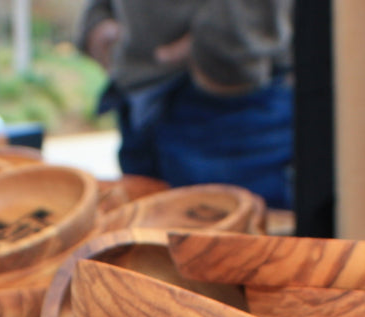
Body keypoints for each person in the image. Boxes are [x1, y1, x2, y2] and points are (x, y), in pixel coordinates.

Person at [77, 0, 294, 209]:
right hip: (140, 94)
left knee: (239, 242)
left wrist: (227, 43)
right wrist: (99, 16)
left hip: (225, 99)